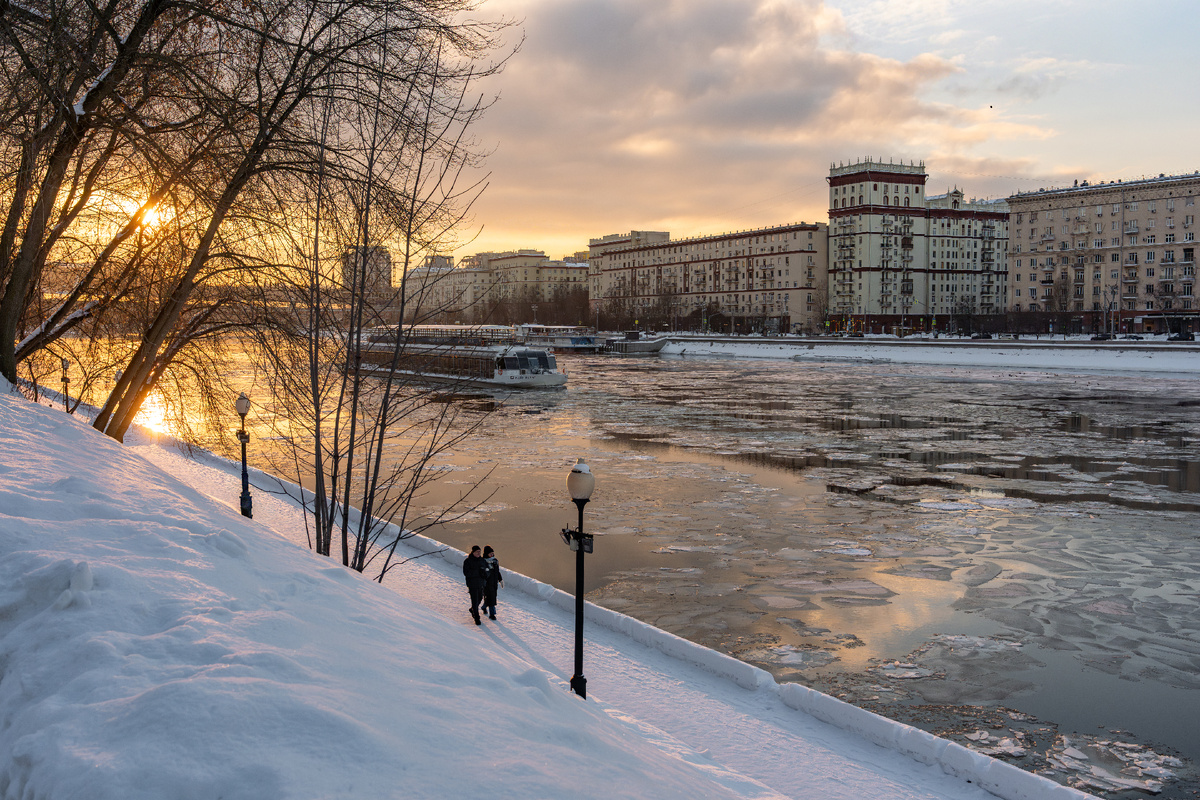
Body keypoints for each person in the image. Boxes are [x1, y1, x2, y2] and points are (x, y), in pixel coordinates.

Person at [462, 545, 487, 625]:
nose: (479, 553)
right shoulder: (468, 561)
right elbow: (466, 573)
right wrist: (478, 572)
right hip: (472, 584)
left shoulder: (482, 560)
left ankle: (473, 609)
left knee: (479, 598)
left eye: (480, 552)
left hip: (481, 583)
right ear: (473, 552)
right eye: (477, 552)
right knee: (475, 601)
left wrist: (485, 574)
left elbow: (487, 570)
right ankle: (477, 618)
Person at [482, 546, 503, 620]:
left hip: (494, 583)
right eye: (490, 553)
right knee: (491, 599)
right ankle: (492, 614)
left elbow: (497, 571)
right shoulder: (484, 562)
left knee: (491, 598)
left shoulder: (495, 561)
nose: (492, 555)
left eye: (492, 553)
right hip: (487, 583)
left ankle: (484, 607)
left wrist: (500, 579)